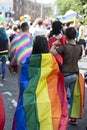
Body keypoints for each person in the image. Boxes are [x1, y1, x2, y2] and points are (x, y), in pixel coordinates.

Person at [12, 35, 68, 130]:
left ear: (34, 46)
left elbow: (21, 85)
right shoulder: (53, 62)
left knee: (28, 124)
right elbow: (57, 82)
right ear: (46, 46)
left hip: (30, 99)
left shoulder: (26, 63)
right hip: (49, 101)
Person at [50, 27, 85, 124]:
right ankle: (73, 118)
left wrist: (54, 44)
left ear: (66, 36)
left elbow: (52, 52)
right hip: (76, 74)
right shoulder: (79, 48)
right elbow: (79, 58)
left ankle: (62, 116)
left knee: (62, 96)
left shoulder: (64, 47)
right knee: (75, 98)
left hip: (64, 75)